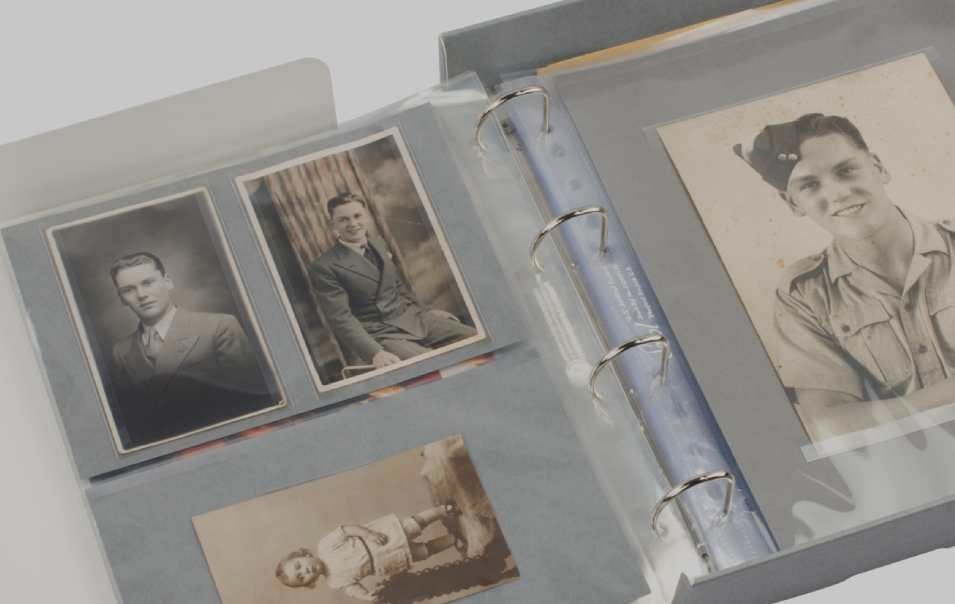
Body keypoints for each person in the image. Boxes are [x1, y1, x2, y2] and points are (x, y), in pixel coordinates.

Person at [734, 113, 955, 441]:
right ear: (792, 203)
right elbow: (829, 425)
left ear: (878, 168)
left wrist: (885, 416)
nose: (838, 193)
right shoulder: (805, 296)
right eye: (810, 185)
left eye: (846, 170)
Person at [109, 252, 273, 447]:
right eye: (129, 290)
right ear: (121, 298)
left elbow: (255, 404)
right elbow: (134, 421)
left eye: (148, 283)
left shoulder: (219, 326)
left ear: (168, 282)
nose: (141, 295)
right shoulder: (121, 351)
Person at [310, 193, 478, 371]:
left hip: (414, 318)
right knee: (430, 366)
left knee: (473, 337)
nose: (353, 223)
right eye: (344, 219)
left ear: (366, 216)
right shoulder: (324, 266)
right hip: (381, 334)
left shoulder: (378, 243)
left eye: (357, 216)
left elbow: (398, 288)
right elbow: (341, 318)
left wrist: (427, 311)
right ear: (332, 224)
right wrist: (374, 352)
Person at [275, 505, 459, 602]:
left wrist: (369, 534)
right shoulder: (334, 582)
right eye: (301, 577)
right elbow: (353, 589)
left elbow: (346, 530)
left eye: (299, 566)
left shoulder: (325, 546)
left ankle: (442, 510)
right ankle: (454, 539)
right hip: (386, 561)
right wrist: (365, 596)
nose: (305, 571)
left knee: (415, 523)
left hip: (381, 539)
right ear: (310, 583)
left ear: (304, 555)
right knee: (423, 552)